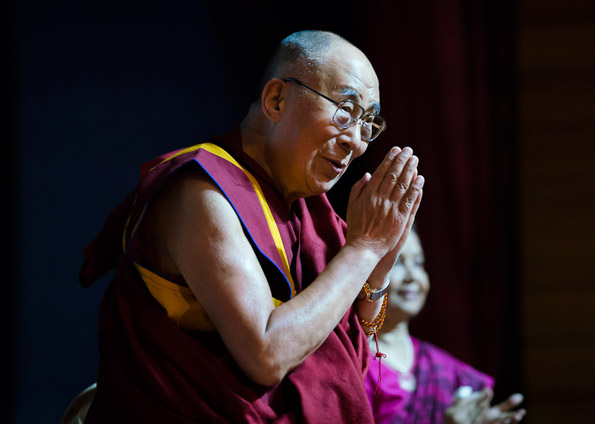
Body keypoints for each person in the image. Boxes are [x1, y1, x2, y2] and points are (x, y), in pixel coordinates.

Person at [78, 30, 424, 423]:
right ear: (276, 99)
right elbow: (266, 352)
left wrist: (378, 262)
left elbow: (348, 366)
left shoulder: (310, 214)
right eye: (345, 108)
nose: (358, 143)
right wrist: (363, 250)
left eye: (367, 122)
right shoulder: (202, 193)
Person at [366, 230, 526, 424]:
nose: (412, 276)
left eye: (418, 263)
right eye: (397, 262)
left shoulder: (443, 368)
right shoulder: (355, 362)